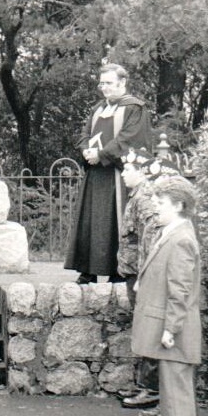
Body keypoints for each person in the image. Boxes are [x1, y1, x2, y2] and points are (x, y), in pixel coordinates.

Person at [130, 176, 202, 416]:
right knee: (170, 392)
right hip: (171, 328)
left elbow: (180, 291)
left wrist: (171, 329)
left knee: (176, 394)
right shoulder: (172, 232)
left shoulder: (181, 238)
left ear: (179, 206)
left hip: (176, 330)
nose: (155, 207)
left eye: (161, 203)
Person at [65, 64, 152, 284]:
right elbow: (84, 133)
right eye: (102, 83)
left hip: (117, 173)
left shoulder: (135, 108)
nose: (104, 88)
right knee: (91, 221)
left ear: (122, 83)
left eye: (109, 83)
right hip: (95, 175)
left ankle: (117, 271)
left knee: (116, 221)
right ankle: (88, 270)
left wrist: (102, 154)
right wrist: (86, 150)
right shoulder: (97, 108)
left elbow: (128, 138)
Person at [116, 152, 183, 412]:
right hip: (136, 270)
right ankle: (145, 384)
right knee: (145, 328)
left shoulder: (145, 197)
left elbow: (149, 239)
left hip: (141, 272)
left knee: (152, 328)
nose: (123, 173)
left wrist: (143, 275)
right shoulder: (140, 195)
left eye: (128, 169)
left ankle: (151, 389)